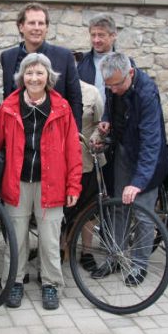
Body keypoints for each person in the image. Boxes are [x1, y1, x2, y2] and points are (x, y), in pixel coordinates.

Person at [0, 53, 82, 310]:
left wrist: (73, 185)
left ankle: (51, 284)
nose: (34, 78)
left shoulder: (62, 107)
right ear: (21, 77)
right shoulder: (9, 106)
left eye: (39, 73)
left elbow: (72, 149)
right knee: (16, 237)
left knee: (49, 240)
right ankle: (13, 282)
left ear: (48, 77)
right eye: (29, 73)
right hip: (17, 182)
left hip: (52, 183)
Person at [90, 52, 168, 285]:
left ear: (130, 74)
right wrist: (106, 119)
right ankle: (115, 256)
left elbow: (151, 143)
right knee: (118, 207)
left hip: (148, 159)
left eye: (117, 85)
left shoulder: (147, 94)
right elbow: (112, 105)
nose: (112, 90)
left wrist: (138, 182)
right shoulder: (113, 82)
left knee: (143, 213)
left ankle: (139, 265)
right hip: (124, 150)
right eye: (108, 86)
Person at [0, 2, 83, 130]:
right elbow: (8, 98)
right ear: (21, 27)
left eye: (41, 23)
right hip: (18, 134)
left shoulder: (64, 56)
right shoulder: (8, 57)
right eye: (32, 23)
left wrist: (75, 136)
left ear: (47, 28)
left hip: (54, 133)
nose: (37, 28)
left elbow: (75, 100)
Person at [66, 78, 105, 272]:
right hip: (60, 163)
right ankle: (60, 249)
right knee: (61, 210)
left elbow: (100, 124)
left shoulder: (91, 92)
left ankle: (87, 251)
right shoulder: (49, 90)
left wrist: (94, 140)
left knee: (89, 208)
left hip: (86, 160)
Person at [77, 13, 123, 105]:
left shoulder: (125, 64)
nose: (96, 40)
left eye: (101, 35)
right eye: (93, 35)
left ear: (113, 36)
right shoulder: (80, 63)